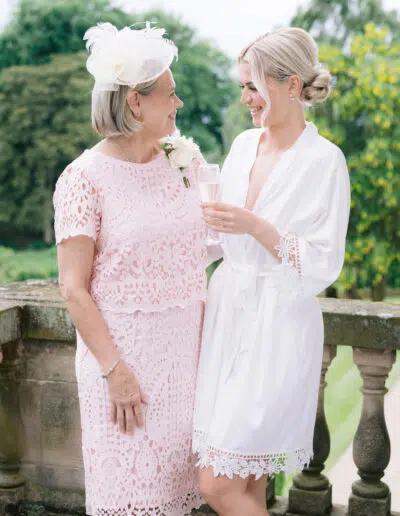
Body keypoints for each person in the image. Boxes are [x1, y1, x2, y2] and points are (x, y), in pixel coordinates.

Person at [193, 27, 351, 516]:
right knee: (246, 484)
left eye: (253, 85)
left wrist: (257, 227)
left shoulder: (325, 162)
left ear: (291, 84)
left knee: (217, 484)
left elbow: (323, 262)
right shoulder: (243, 146)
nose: (245, 98)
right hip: (227, 316)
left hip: (278, 325)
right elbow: (221, 237)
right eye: (242, 86)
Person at [53, 22, 207, 516]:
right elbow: (73, 289)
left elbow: (211, 242)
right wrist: (116, 373)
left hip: (186, 364)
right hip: (125, 370)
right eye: (169, 93)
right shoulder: (83, 179)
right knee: (130, 502)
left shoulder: (185, 162)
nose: (178, 103)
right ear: (136, 102)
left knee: (178, 500)